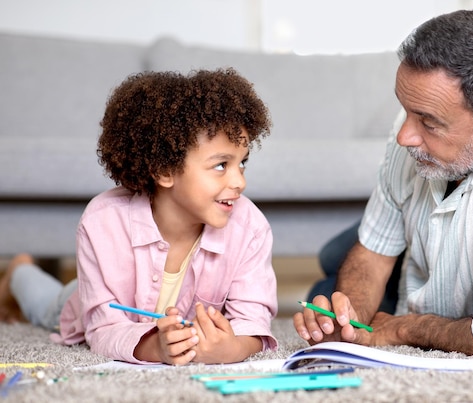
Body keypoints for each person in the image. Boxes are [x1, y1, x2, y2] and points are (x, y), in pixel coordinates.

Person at [294, 10, 473, 359]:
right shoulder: (419, 119)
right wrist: (347, 318)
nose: (404, 136)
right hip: (423, 252)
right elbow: (373, 250)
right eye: (406, 112)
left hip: (436, 280)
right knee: (335, 265)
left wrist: (403, 328)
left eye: (429, 123)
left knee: (324, 282)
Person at [0, 68, 278, 365]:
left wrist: (234, 348)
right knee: (46, 306)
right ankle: (18, 272)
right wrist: (155, 349)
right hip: (84, 300)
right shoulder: (102, 223)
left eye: (242, 163)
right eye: (221, 165)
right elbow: (102, 328)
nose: (240, 182)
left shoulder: (251, 227)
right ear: (164, 170)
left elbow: (253, 318)